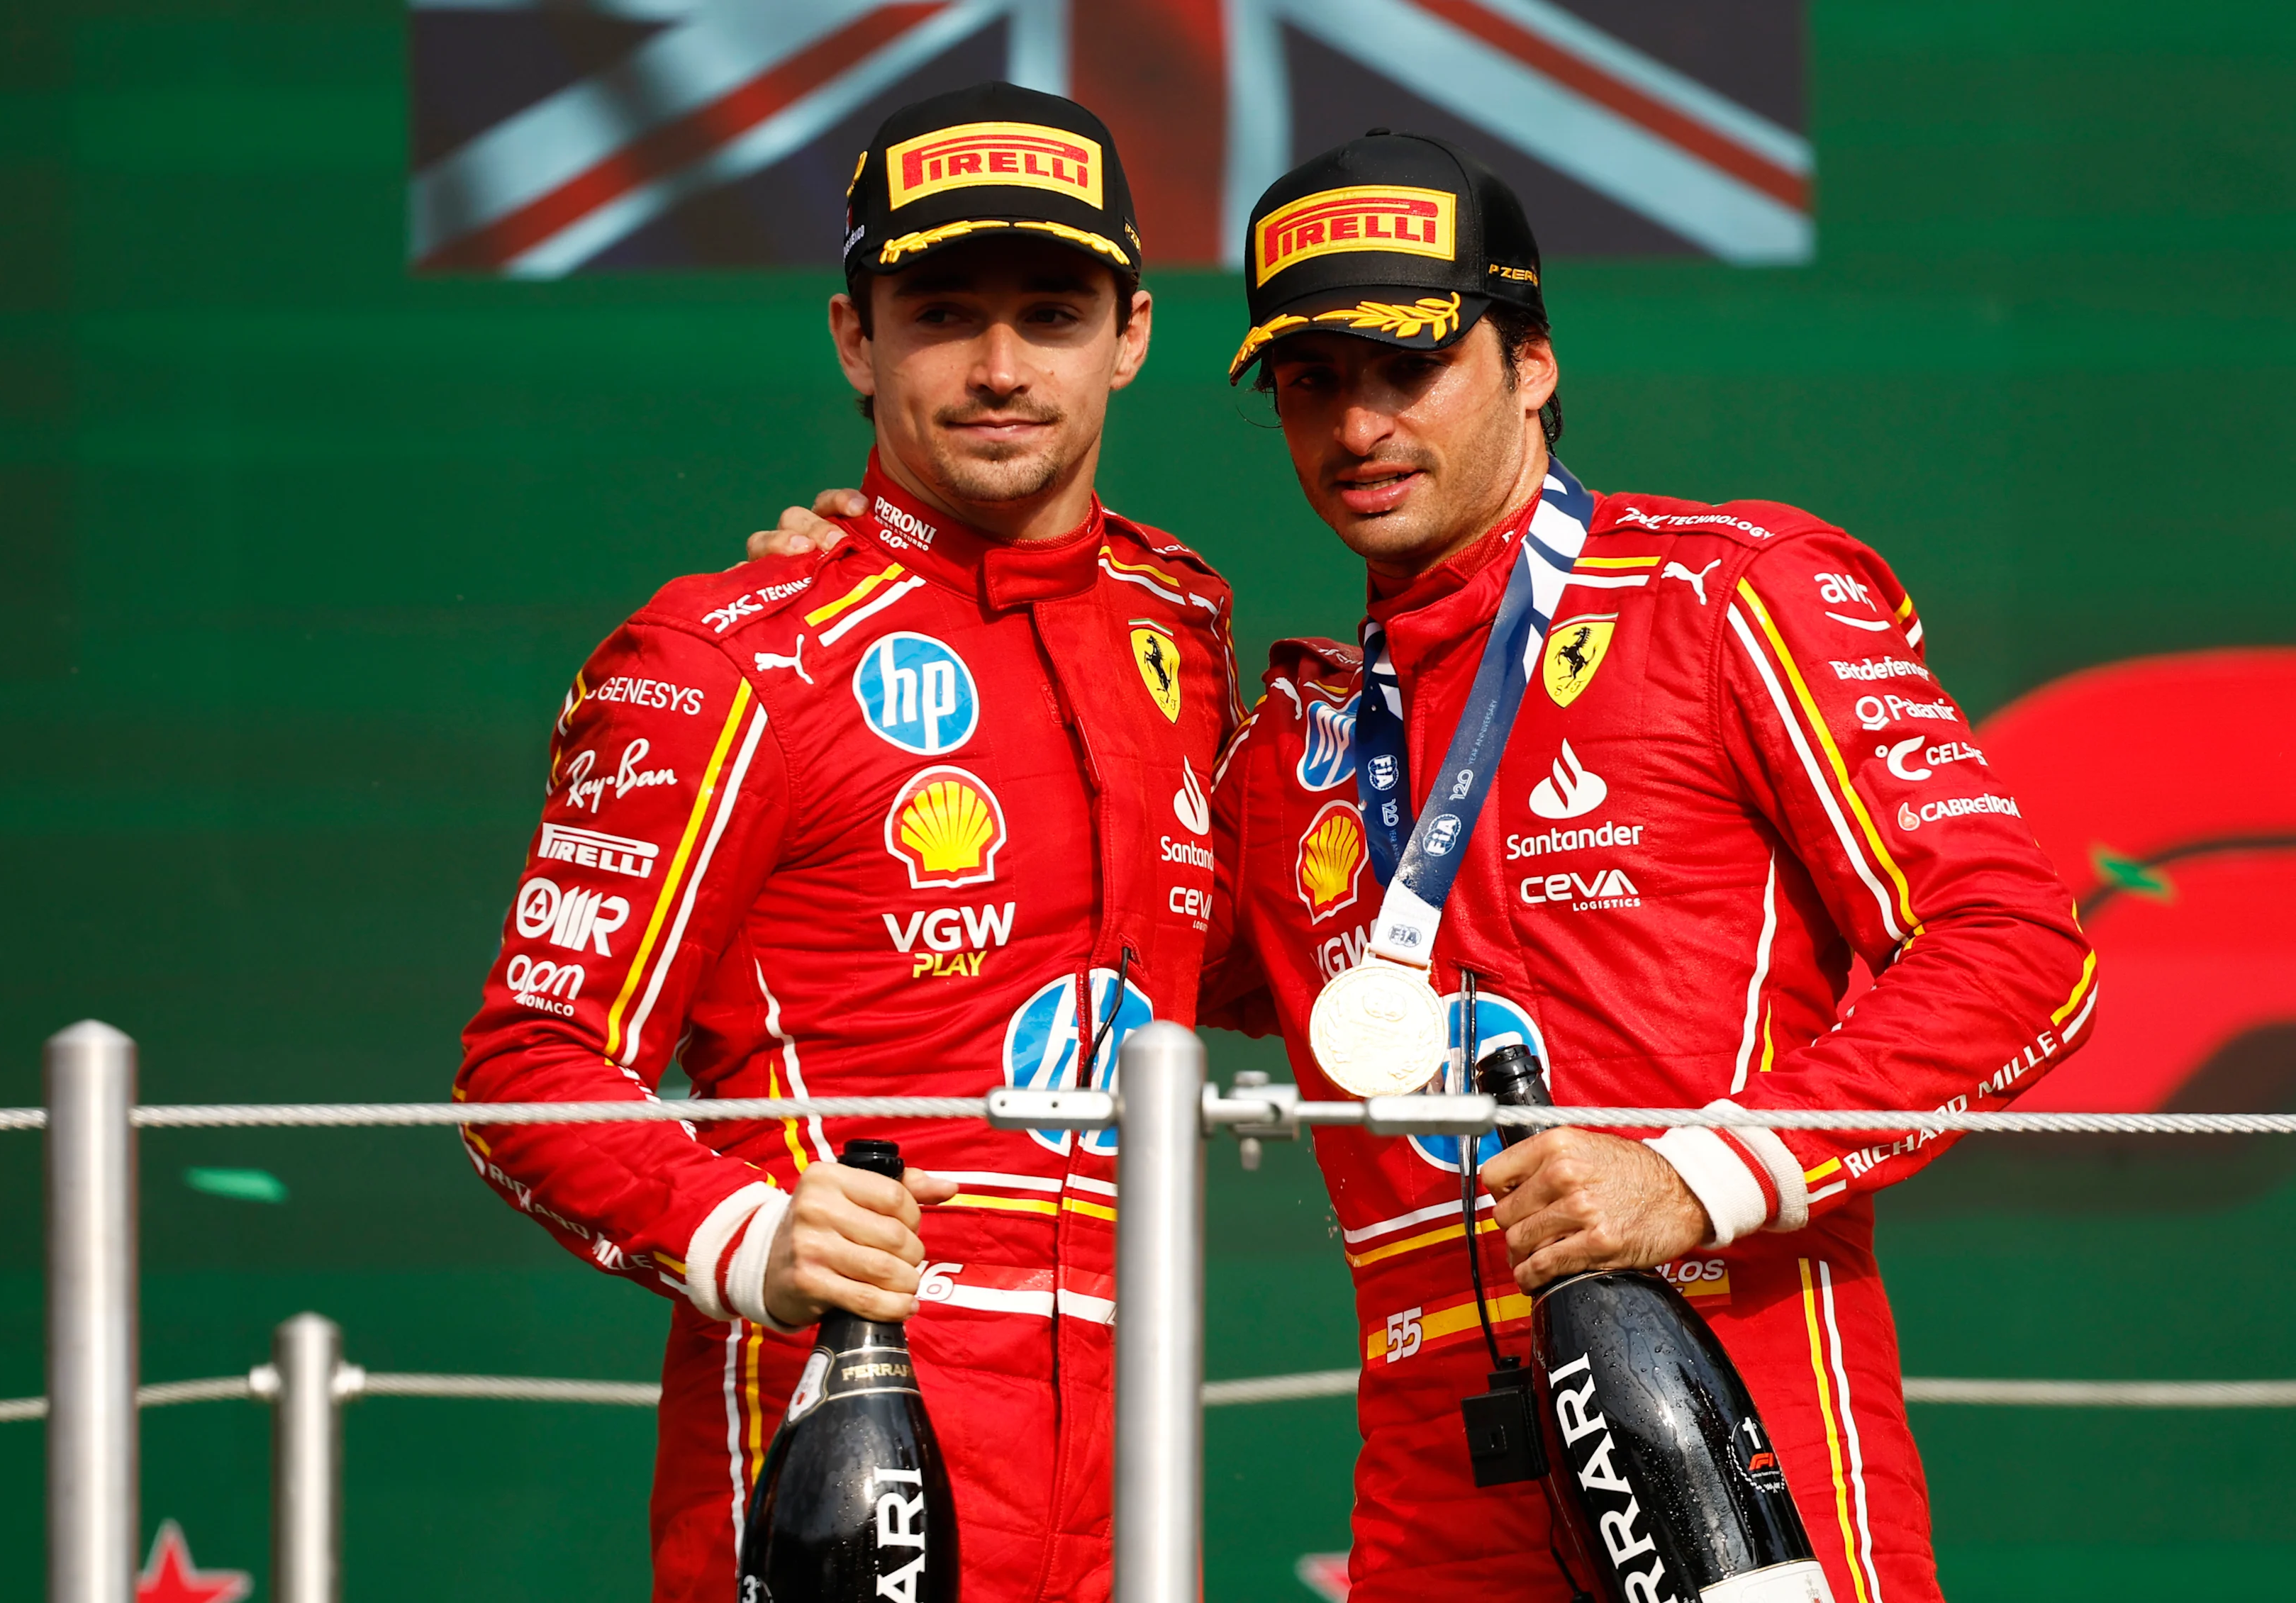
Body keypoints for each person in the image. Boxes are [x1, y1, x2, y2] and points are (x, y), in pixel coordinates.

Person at [1196, 133, 2100, 1601]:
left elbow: (2018, 949)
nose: (1356, 422)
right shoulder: (1295, 731)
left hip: (1734, 1378)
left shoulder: (1724, 592)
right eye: (1311, 380)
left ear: (1532, 361)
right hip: (1434, 1463)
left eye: (1404, 363)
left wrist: (1692, 1172)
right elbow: (1092, 958)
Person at [455, 82, 1240, 1602]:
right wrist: (751, 1233)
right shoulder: (721, 653)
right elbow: (524, 1066)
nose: (1000, 368)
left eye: (1054, 313)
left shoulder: (1180, 616)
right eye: (942, 311)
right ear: (852, 339)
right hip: (841, 1433)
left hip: (1136, 1462)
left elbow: (1225, 946)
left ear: (1130, 335)